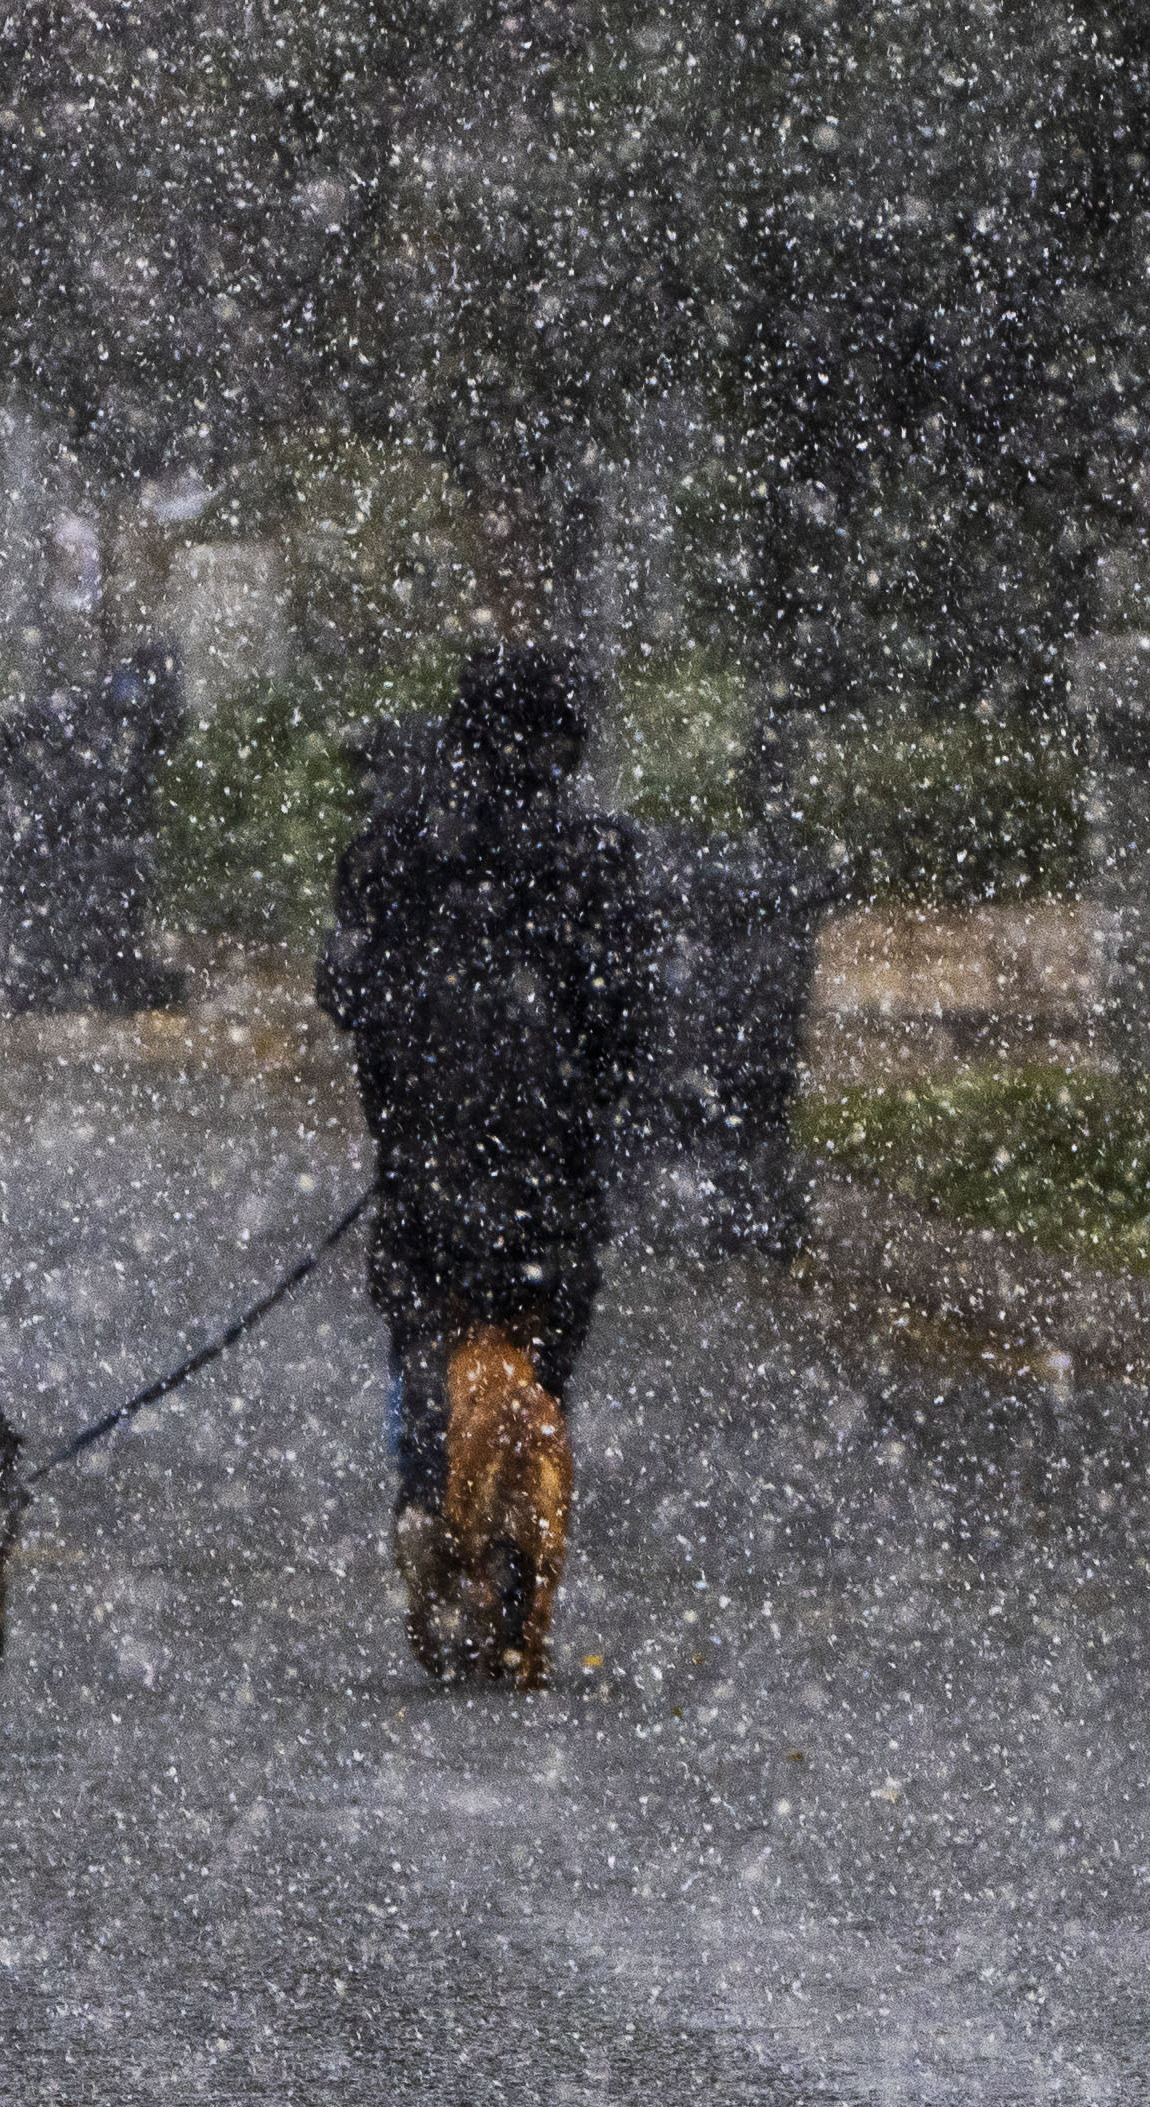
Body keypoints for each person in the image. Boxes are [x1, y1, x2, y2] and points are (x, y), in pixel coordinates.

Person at [319, 643, 666, 1684]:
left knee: (423, 1334)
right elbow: (628, 1021)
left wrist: (412, 1085)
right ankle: (523, 1498)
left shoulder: (397, 849)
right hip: (550, 1167)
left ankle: (426, 1494)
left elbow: (348, 992)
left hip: (427, 1157)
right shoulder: (596, 860)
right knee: (537, 1344)